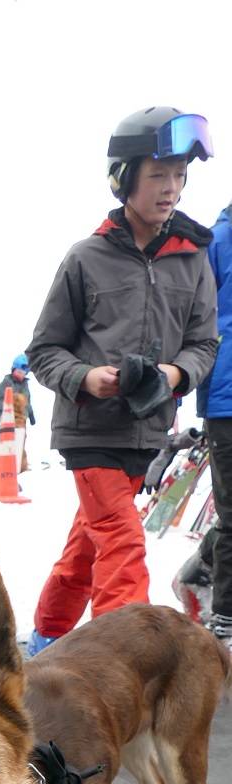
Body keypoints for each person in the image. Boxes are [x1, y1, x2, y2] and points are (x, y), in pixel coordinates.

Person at [27, 108, 217, 654]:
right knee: (122, 544)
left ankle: (46, 644)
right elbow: (44, 351)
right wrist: (89, 379)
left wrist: (175, 374)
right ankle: (120, 669)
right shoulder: (85, 258)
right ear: (124, 177)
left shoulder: (193, 260)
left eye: (180, 175)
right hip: (90, 431)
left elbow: (205, 344)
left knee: (87, 548)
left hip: (148, 433)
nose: (172, 188)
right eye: (159, 174)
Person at [197, 190, 232, 650]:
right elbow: (194, 316)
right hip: (226, 398)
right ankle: (225, 615)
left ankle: (199, 567)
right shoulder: (217, 240)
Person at [0, 353, 35, 472]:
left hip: (21, 418)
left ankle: (21, 466)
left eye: (23, 373)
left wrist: (31, 414)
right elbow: (1, 399)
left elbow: (27, 400)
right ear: (13, 370)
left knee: (21, 440)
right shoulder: (7, 382)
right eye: (18, 372)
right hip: (9, 418)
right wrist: (0, 414)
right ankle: (8, 464)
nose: (21, 375)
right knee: (9, 441)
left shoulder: (25, 384)